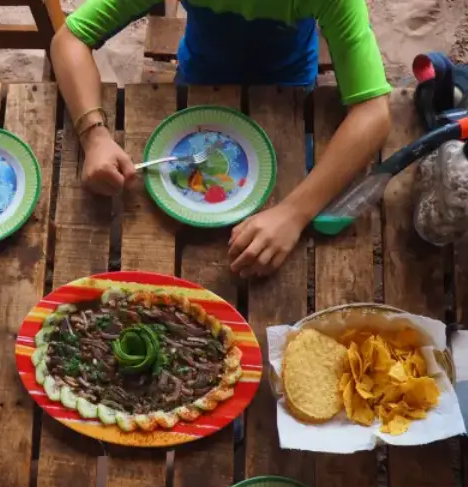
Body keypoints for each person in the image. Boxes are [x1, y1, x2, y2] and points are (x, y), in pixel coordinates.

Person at [50, 0, 393, 278]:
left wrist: (293, 213)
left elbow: (374, 114)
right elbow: (69, 41)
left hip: (287, 97)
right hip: (197, 85)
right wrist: (95, 137)